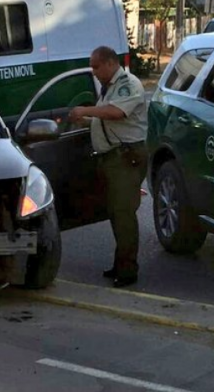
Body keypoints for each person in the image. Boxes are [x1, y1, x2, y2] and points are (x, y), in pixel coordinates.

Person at [69, 46, 148, 288]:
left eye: (96, 66)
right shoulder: (110, 87)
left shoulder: (127, 84)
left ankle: (127, 270)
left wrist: (86, 109)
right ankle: (120, 263)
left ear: (110, 63)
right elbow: (107, 119)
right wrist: (89, 120)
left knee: (123, 213)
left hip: (125, 158)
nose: (93, 72)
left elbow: (116, 113)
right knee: (115, 212)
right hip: (112, 158)